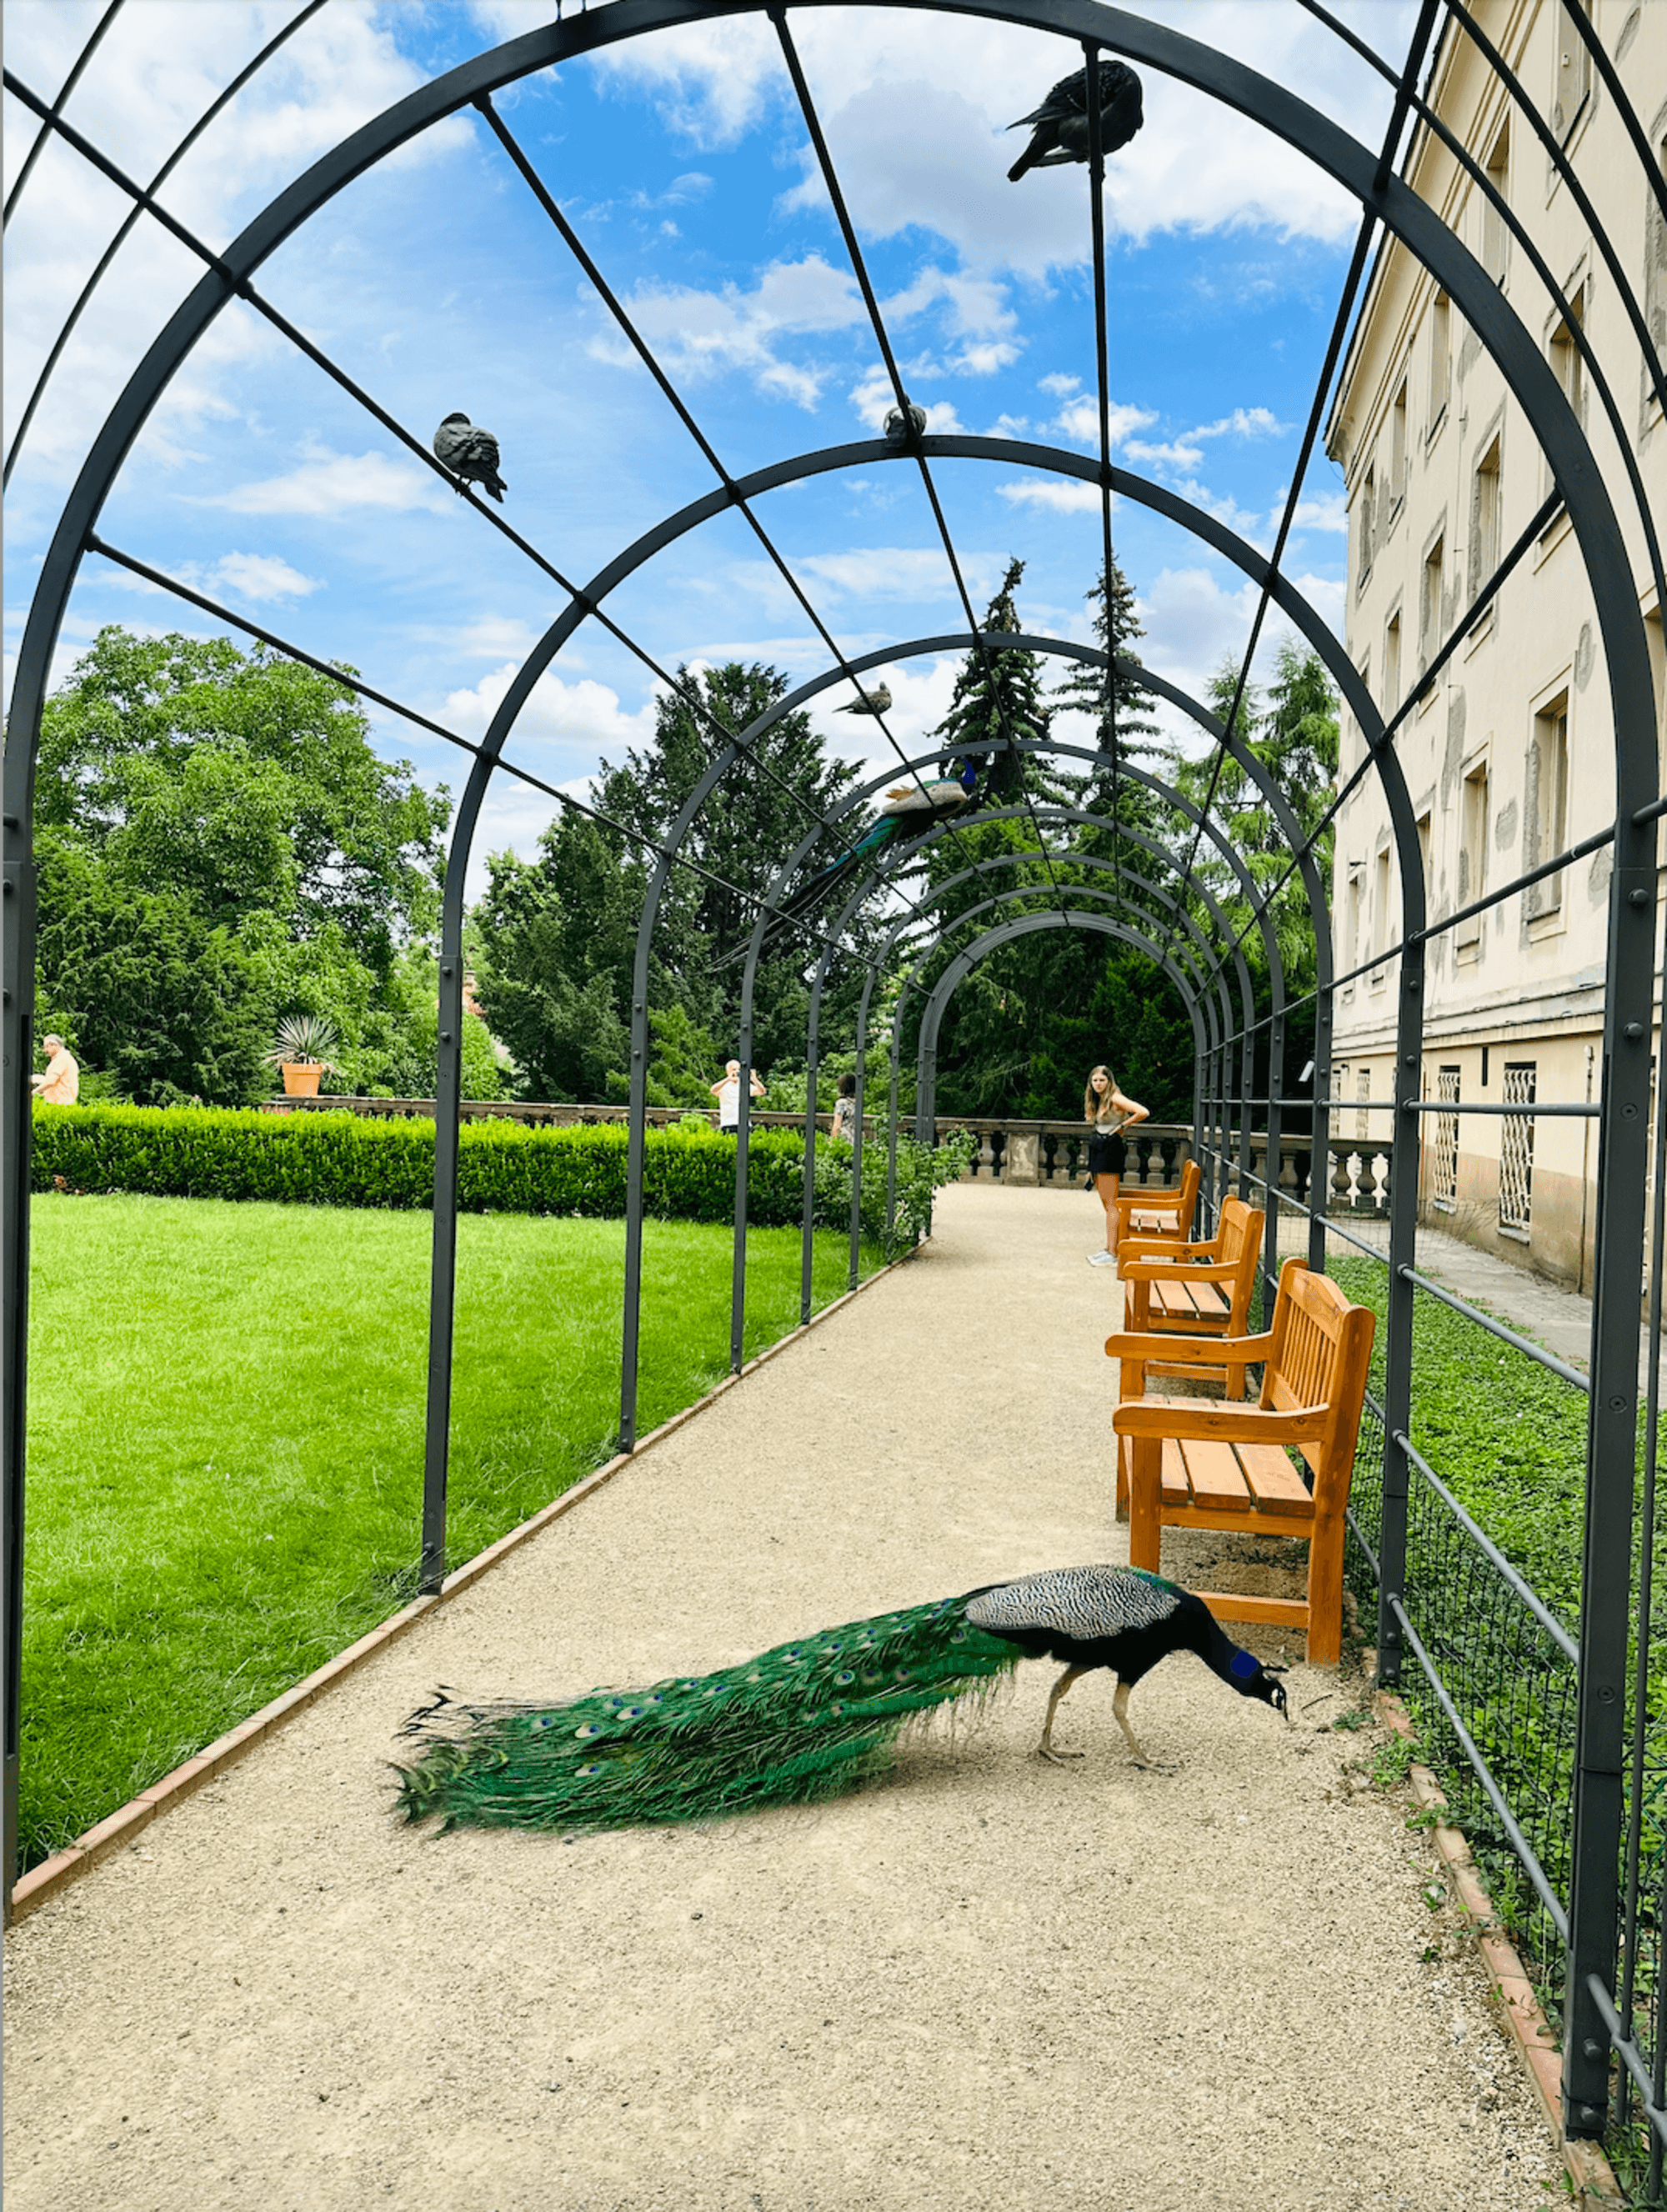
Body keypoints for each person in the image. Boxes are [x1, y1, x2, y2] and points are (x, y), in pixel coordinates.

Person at [1084, 1062, 1148, 1266]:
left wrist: (1121, 1127)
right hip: (1100, 1152)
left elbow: (1142, 1112)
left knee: (1111, 1205)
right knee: (1107, 1204)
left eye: (1102, 1080)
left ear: (1109, 1081)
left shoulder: (1115, 1098)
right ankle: (1110, 1248)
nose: (1098, 1084)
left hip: (1110, 1152)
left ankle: (1113, 1252)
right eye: (1095, 1080)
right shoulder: (1099, 1100)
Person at [711, 1058, 765, 1133]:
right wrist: (728, 1079)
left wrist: (754, 1079)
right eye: (733, 1069)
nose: (736, 1072)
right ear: (728, 1072)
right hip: (728, 1123)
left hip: (744, 1123)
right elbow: (713, 1090)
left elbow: (762, 1092)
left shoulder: (745, 1085)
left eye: (738, 1069)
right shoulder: (724, 1086)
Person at [32, 1033, 80, 1106]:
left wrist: (33, 1092)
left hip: (60, 1103)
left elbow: (52, 1081)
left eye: (46, 1047)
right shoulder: (65, 1058)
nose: (45, 1051)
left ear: (54, 1045)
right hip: (61, 1103)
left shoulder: (62, 1059)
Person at [829, 1071, 859, 1144]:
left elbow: (837, 1125)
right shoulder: (857, 1103)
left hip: (844, 1141)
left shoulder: (841, 1103)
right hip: (855, 1141)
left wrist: (832, 1141)